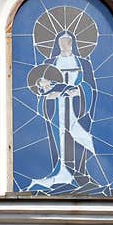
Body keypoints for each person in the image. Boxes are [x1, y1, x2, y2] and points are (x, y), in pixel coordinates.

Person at [27, 32, 100, 193]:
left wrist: (79, 92)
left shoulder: (83, 63)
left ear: (73, 42)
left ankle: (80, 173)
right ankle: (61, 172)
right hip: (56, 108)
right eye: (61, 41)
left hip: (77, 108)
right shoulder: (50, 62)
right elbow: (41, 87)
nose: (64, 44)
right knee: (58, 136)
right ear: (56, 44)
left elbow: (91, 86)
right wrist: (48, 94)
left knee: (77, 136)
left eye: (67, 41)